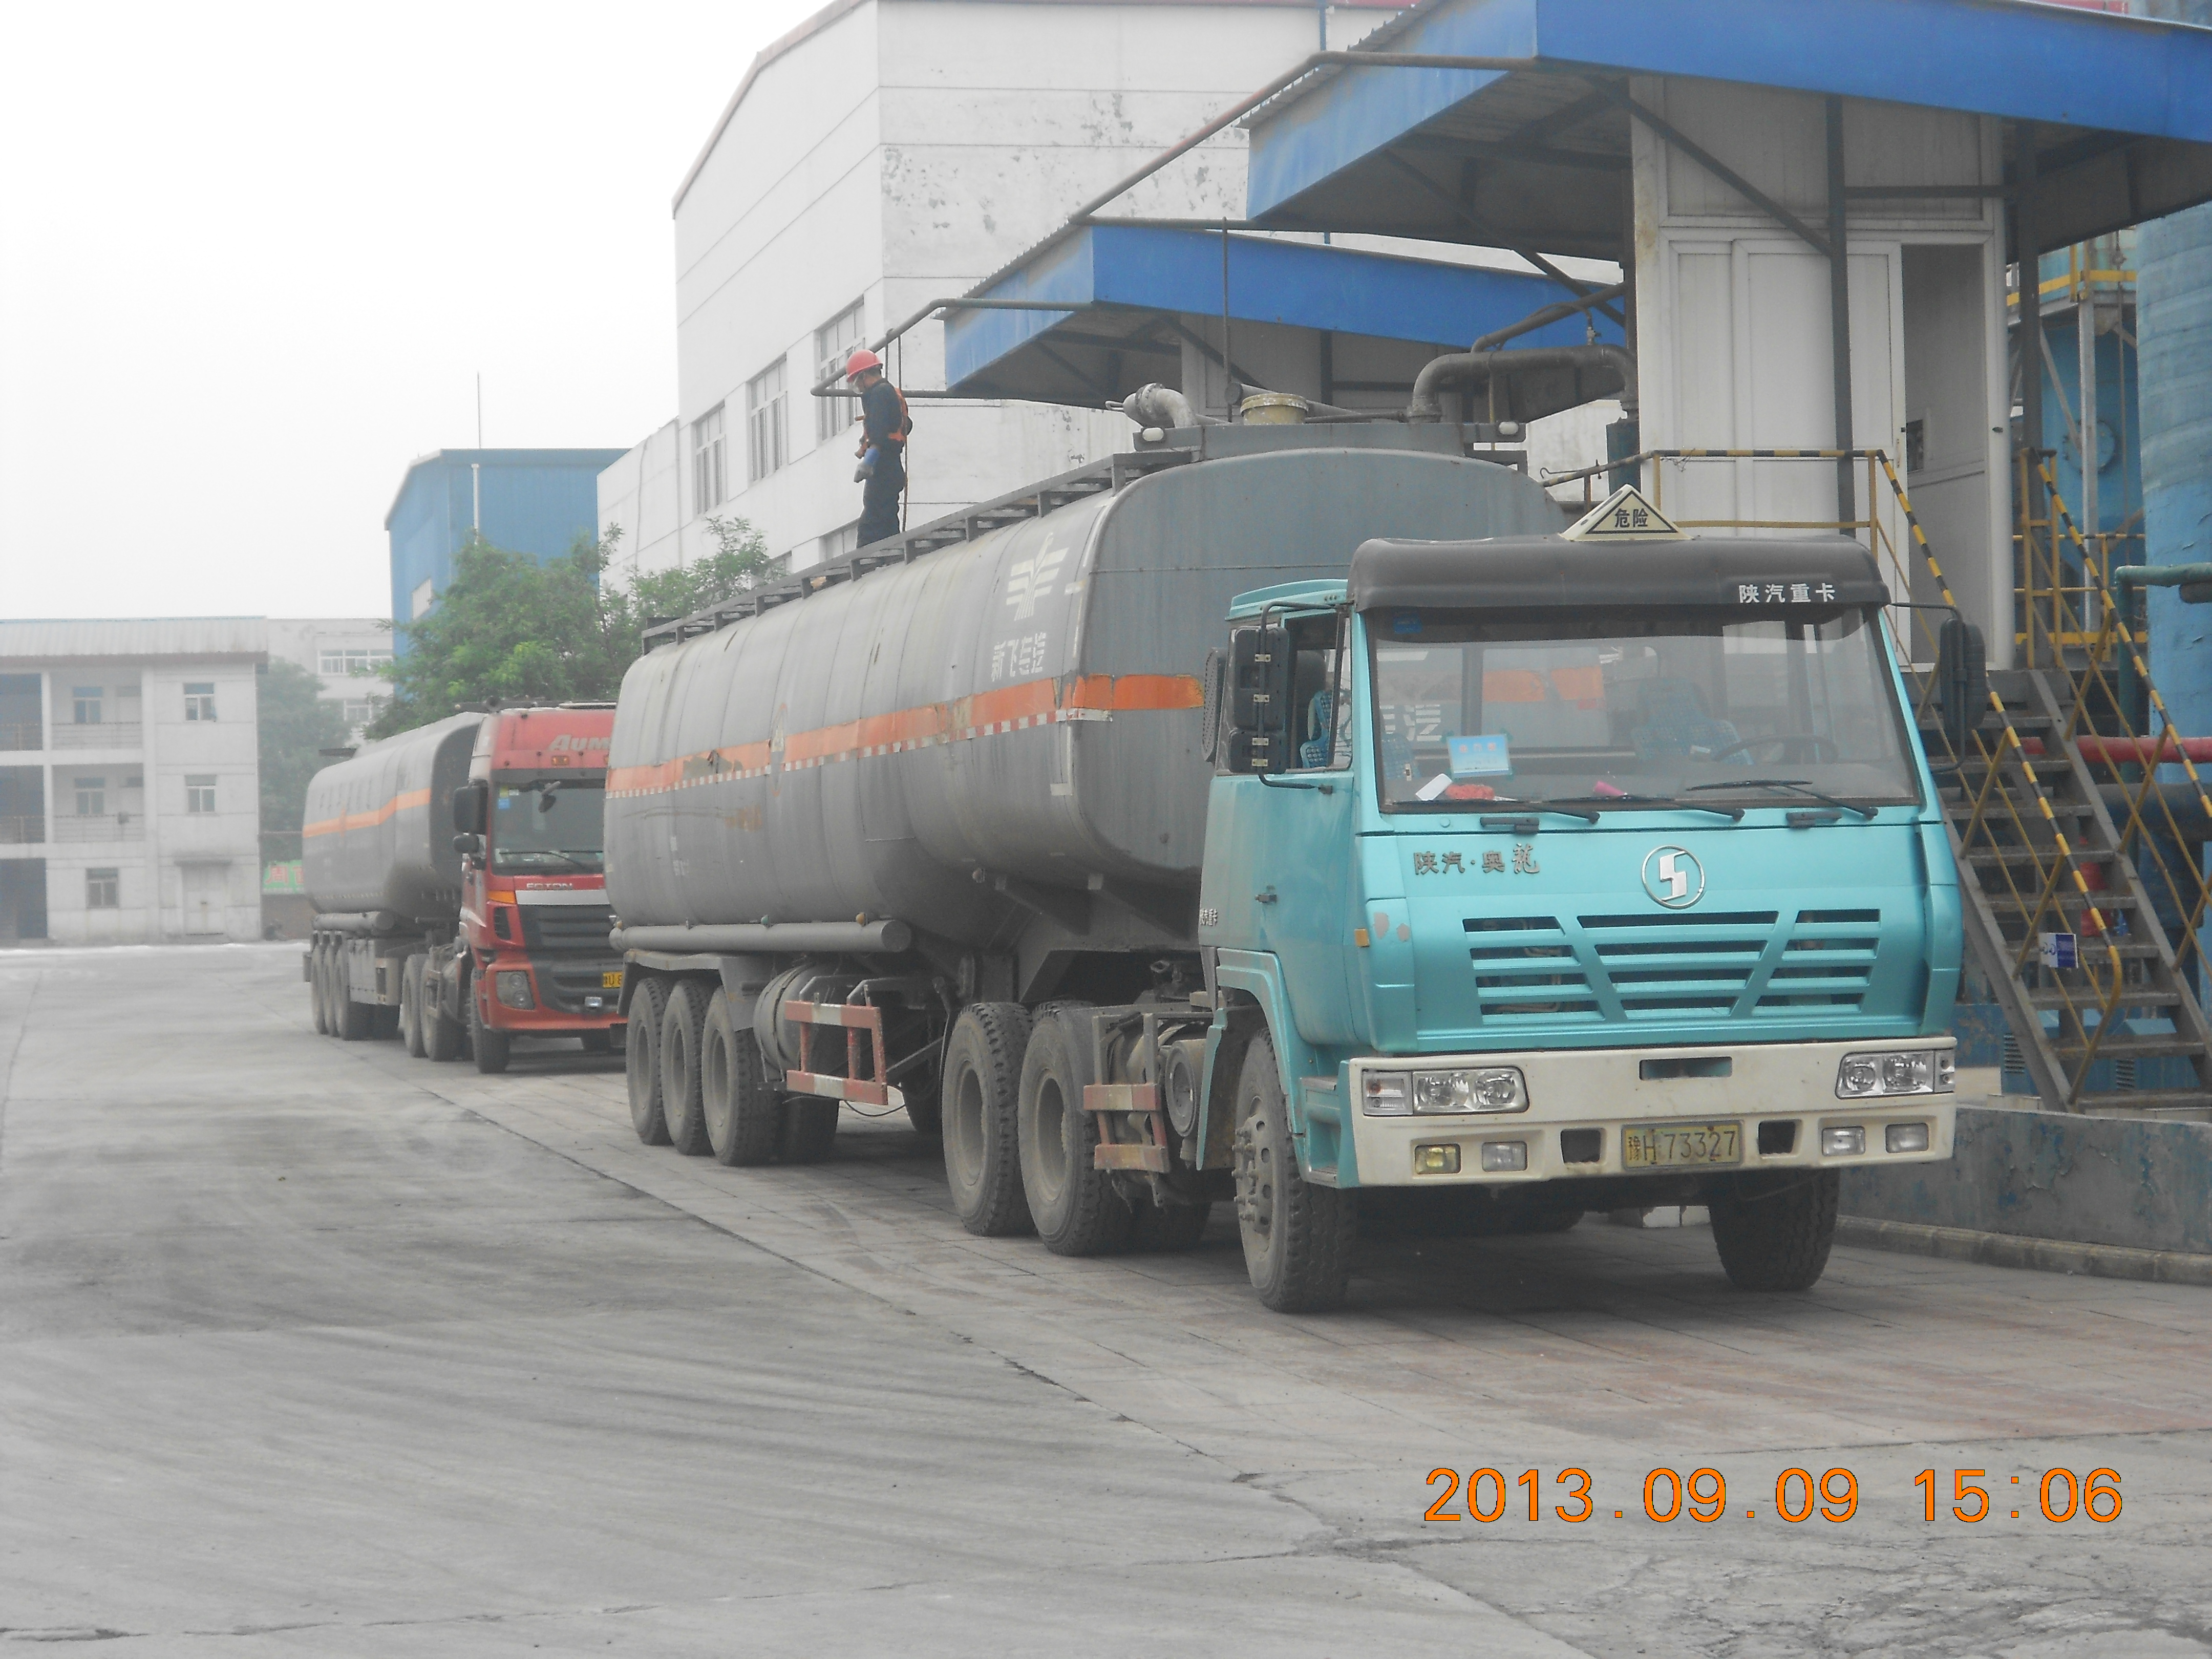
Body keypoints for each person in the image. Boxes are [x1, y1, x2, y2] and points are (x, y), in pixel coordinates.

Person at [845, 348, 912, 547]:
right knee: (888, 519)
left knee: (872, 523)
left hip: (883, 468)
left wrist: (868, 461)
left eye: (857, 381)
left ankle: (864, 561)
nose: (859, 387)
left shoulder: (879, 393)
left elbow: (880, 434)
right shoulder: (889, 392)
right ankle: (893, 554)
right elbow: (904, 425)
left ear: (864, 376)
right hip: (892, 468)